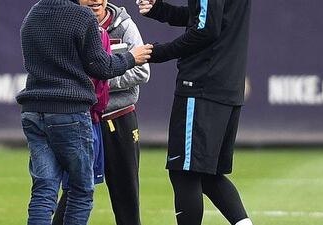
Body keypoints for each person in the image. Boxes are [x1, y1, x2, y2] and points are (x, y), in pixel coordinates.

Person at [17, 0, 152, 224]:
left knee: (44, 190)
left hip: (34, 111)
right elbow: (100, 67)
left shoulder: (34, 13)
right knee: (80, 191)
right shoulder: (81, 17)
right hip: (70, 113)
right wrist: (131, 58)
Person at [138, 0, 253, 225]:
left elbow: (206, 29)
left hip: (201, 86)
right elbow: (206, 16)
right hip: (225, 86)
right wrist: (160, 10)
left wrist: (159, 52)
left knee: (184, 172)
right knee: (207, 175)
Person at [52, 26, 112, 225]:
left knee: (67, 188)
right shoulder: (84, 31)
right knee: (79, 188)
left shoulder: (117, 27)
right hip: (79, 116)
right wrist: (127, 60)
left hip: (93, 116)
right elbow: (101, 71)